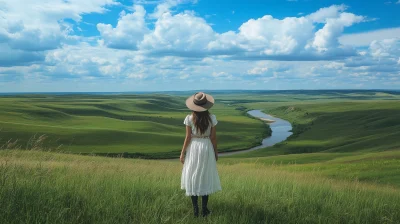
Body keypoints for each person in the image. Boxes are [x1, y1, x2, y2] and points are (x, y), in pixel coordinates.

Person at [180, 92, 222, 218]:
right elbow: (213, 138)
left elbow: (188, 137)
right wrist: (215, 152)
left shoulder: (189, 118)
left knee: (192, 175)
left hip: (193, 147)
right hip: (206, 146)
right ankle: (204, 210)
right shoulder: (212, 118)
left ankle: (195, 211)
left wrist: (183, 152)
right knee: (205, 176)